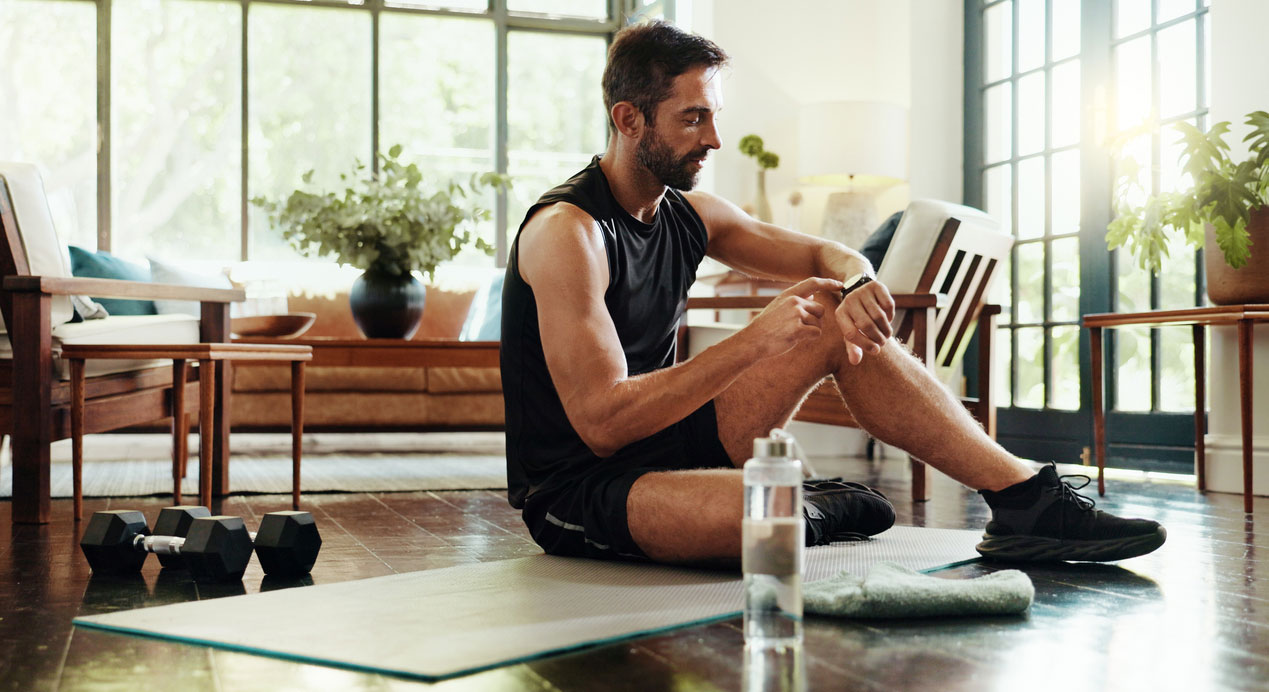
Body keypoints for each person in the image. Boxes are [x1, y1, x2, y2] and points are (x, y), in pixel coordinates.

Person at [500, 20, 1166, 566]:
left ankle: (1023, 497)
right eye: (692, 118)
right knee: (759, 519)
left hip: (671, 444)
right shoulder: (567, 233)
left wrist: (856, 277)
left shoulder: (690, 213)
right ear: (628, 118)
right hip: (579, 486)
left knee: (831, 315)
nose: (713, 137)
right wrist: (753, 340)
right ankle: (809, 502)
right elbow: (603, 422)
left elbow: (821, 253)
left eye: (713, 116)